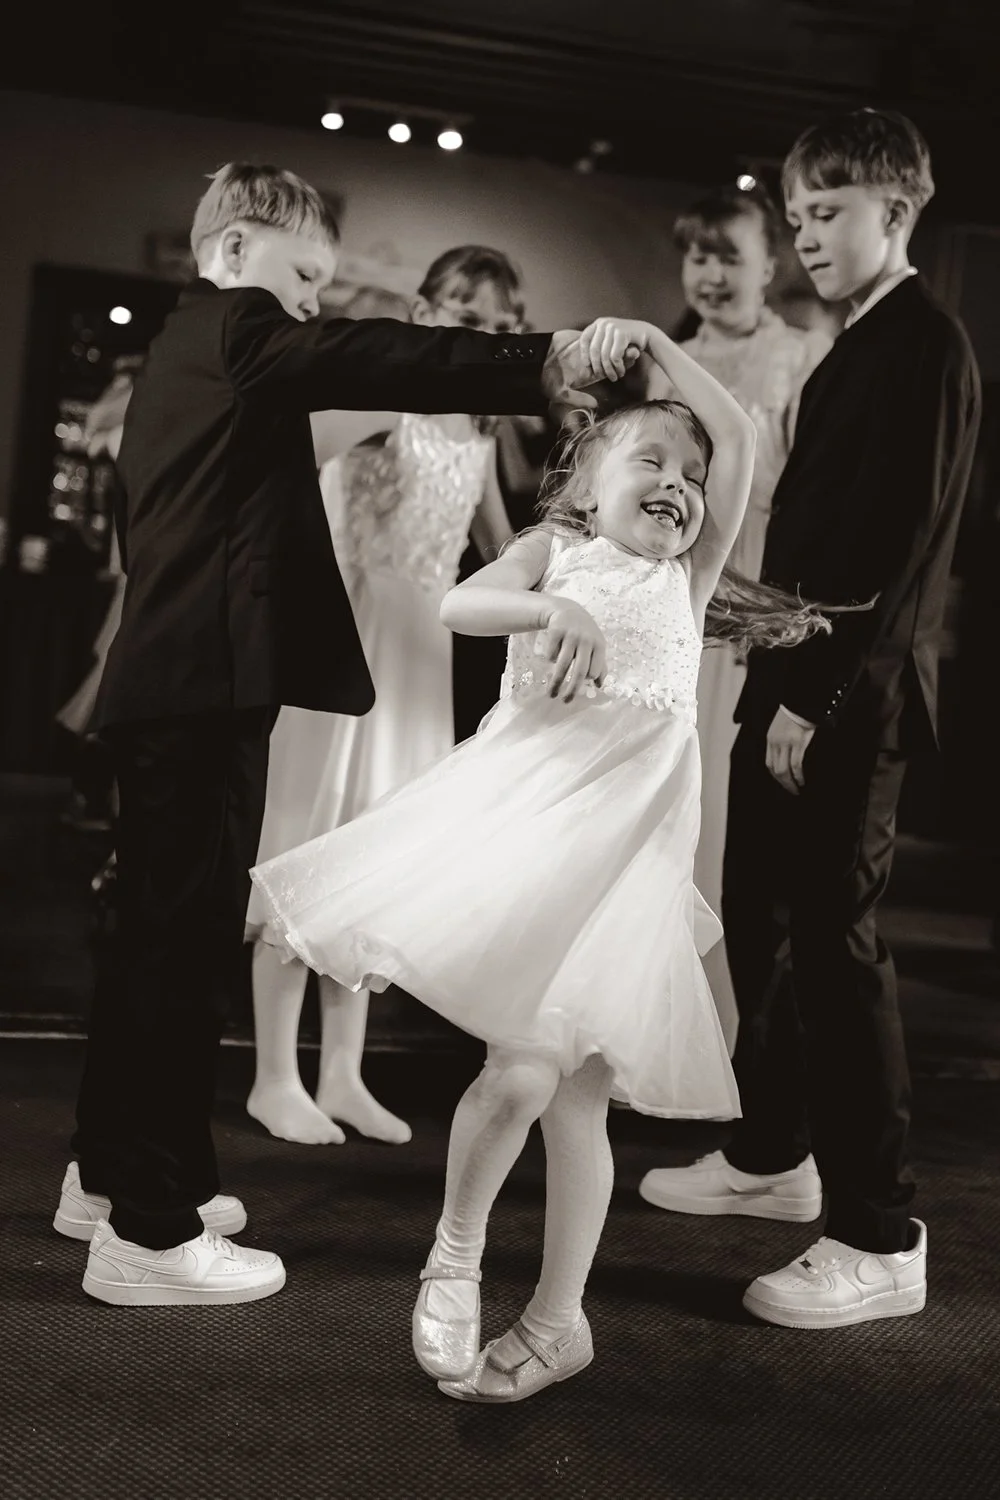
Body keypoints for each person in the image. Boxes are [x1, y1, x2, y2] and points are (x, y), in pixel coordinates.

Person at [52, 161, 629, 1308]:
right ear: (233, 251)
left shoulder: (182, 350)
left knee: (152, 949)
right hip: (200, 688)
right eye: (304, 277)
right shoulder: (238, 327)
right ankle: (150, 1236)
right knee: (179, 956)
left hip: (177, 682)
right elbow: (375, 354)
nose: (312, 303)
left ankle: (110, 1179)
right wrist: (549, 356)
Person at [250, 316, 832, 1400]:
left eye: (690, 475)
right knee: (520, 1075)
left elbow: (742, 437)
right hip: (536, 860)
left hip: (629, 884)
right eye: (650, 460)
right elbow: (460, 603)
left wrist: (651, 341)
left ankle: (560, 1322)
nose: (678, 483)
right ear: (584, 485)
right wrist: (553, 602)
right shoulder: (555, 553)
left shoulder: (687, 580)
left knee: (578, 1105)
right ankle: (455, 1257)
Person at [639, 109, 982, 1329]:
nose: (807, 238)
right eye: (796, 219)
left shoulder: (923, 343)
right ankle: (774, 1152)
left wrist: (813, 699)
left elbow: (896, 554)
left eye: (828, 214)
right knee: (758, 921)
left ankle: (879, 1234)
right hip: (791, 679)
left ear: (898, 209)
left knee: (836, 950)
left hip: (844, 696)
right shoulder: (860, 339)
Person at [246, 247, 526, 1147]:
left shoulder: (478, 434)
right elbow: (284, 452)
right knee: (311, 841)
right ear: (423, 313)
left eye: (498, 326)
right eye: (464, 317)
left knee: (374, 857)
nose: (480, 337)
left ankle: (343, 1074)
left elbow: (507, 550)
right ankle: (274, 1075)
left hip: (418, 663)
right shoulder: (383, 407)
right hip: (347, 641)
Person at [671, 186, 832, 1045]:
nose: (710, 273)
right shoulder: (667, 364)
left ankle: (727, 1036)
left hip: (760, 607)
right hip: (675, 610)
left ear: (770, 265)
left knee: (731, 825)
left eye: (729, 255)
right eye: (697, 255)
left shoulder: (804, 356)